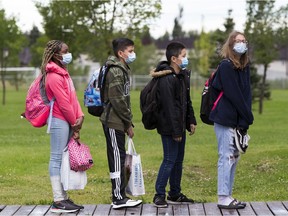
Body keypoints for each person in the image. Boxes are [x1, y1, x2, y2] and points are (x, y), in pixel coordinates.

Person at [209, 31, 254, 209]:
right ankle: (222, 197)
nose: (241, 44)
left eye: (243, 41)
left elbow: (247, 93)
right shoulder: (226, 66)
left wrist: (245, 120)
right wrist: (248, 116)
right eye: (237, 41)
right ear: (231, 44)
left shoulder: (245, 66)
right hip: (225, 119)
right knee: (226, 157)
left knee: (234, 158)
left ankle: (228, 195)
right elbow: (234, 95)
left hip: (238, 120)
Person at [151, 41, 197, 208]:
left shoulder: (182, 76)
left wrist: (191, 120)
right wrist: (175, 131)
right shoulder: (167, 79)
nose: (186, 59)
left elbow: (187, 101)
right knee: (170, 159)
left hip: (179, 126)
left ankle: (175, 193)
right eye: (183, 56)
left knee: (178, 161)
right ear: (174, 59)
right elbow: (170, 108)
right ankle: (159, 194)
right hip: (169, 127)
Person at [42, 40, 85, 213]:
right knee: (56, 158)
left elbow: (73, 99)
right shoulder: (53, 76)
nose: (68, 54)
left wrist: (80, 115)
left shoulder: (64, 74)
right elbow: (64, 104)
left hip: (69, 120)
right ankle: (58, 200)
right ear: (55, 55)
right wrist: (75, 125)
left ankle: (64, 197)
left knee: (62, 160)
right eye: (65, 51)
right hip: (60, 120)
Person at [100, 38, 142, 209]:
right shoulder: (116, 71)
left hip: (118, 120)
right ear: (120, 53)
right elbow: (118, 100)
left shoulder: (121, 69)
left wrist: (126, 123)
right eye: (130, 51)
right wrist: (128, 123)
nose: (133, 54)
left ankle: (121, 195)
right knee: (117, 158)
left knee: (120, 156)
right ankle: (118, 197)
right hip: (113, 120)